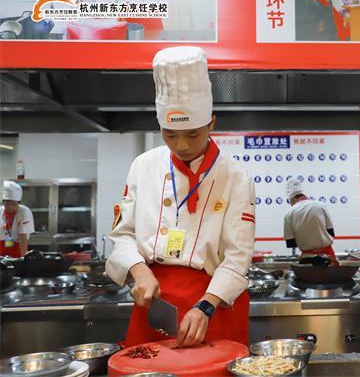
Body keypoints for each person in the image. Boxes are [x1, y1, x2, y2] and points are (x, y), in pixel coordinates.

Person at [105, 46, 256, 348]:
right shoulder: (143, 166)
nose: (182, 145)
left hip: (212, 302)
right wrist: (138, 270)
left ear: (211, 123)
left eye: (193, 134)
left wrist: (206, 306)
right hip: (154, 301)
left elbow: (237, 256)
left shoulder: (235, 176)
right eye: (170, 134)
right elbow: (121, 235)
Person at [283, 178, 338, 264]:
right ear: (304, 195)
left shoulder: (289, 213)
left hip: (307, 258)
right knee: (330, 273)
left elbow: (291, 243)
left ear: (291, 199)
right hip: (328, 256)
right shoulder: (321, 205)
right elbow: (331, 232)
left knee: (307, 273)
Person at [0, 181, 34, 257]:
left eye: (14, 204)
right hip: (1, 247)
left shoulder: (24, 212)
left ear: (18, 203)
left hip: (18, 247)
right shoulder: (0, 211)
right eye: (7, 204)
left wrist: (23, 259)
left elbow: (23, 238)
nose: (10, 207)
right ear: (3, 202)